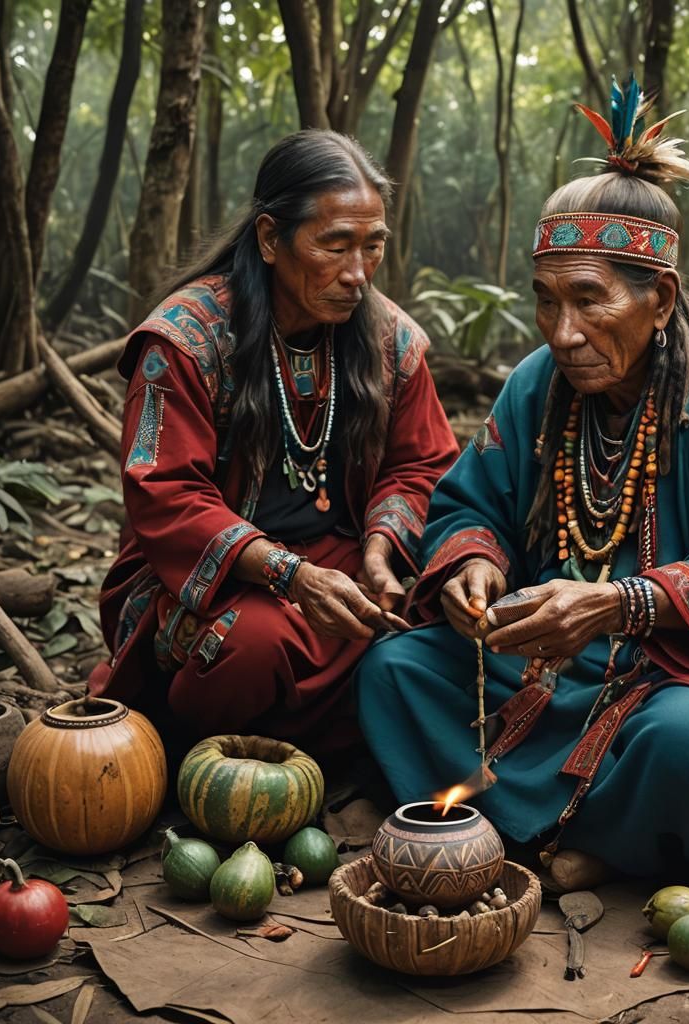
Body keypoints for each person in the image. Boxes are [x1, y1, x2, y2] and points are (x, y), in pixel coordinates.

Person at [356, 77, 689, 890]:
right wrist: (475, 565)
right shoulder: (539, 384)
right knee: (395, 672)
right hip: (558, 668)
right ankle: (593, 835)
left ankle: (579, 842)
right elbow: (473, 501)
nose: (563, 332)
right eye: (546, 301)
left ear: (661, 300)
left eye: (590, 299)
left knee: (683, 740)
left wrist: (617, 604)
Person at [89, 130, 458, 756]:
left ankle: (336, 744)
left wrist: (379, 550)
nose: (358, 274)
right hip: (218, 579)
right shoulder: (184, 342)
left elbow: (422, 463)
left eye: (373, 247)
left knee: (431, 620)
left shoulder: (393, 340)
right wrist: (291, 575)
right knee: (252, 648)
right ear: (269, 238)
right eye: (335, 246)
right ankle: (218, 752)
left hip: (342, 559)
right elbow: (166, 492)